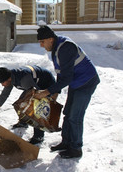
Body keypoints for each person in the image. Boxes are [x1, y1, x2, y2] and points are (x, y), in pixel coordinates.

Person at [35, 26, 100, 158]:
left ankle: (76, 148)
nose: (41, 45)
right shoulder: (55, 48)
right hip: (76, 83)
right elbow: (61, 73)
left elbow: (67, 78)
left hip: (86, 82)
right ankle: (66, 142)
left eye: (42, 41)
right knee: (67, 113)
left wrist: (46, 92)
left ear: (50, 39)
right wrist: (55, 92)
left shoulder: (65, 48)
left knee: (75, 117)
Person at [0, 65, 58, 144]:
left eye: (3, 82)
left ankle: (39, 136)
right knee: (21, 103)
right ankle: (24, 122)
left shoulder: (24, 79)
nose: (2, 85)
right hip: (33, 84)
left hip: (46, 82)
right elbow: (4, 95)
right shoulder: (10, 77)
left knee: (37, 108)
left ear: (9, 78)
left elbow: (35, 96)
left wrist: (53, 94)